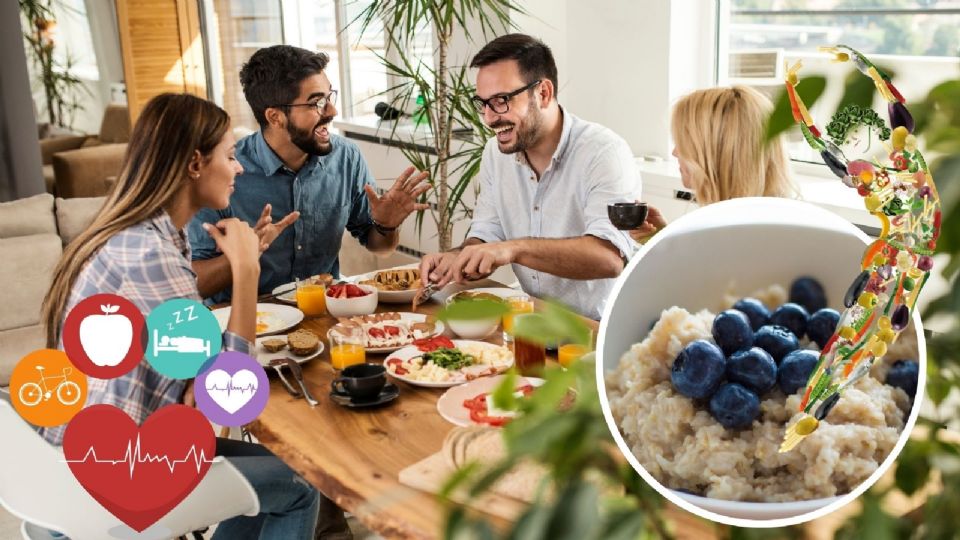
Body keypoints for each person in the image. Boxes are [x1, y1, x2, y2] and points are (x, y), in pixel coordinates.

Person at [39, 93, 328, 539]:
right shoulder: (151, 254)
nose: (239, 169)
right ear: (195, 164)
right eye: (230, 157)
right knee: (300, 485)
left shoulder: (144, 235)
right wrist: (247, 272)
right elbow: (228, 400)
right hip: (116, 482)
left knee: (272, 474)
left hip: (77, 466)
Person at [418, 34, 640, 320]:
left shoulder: (603, 152)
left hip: (599, 331)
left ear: (543, 93)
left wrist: (513, 249)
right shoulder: (494, 154)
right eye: (483, 103)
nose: (488, 118)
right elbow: (487, 232)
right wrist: (459, 256)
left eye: (501, 101)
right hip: (534, 322)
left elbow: (609, 259)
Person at [189, 45, 429, 304]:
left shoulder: (346, 157)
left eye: (330, 97)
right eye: (317, 103)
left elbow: (380, 246)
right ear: (275, 117)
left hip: (324, 312)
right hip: (248, 320)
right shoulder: (224, 172)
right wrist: (246, 254)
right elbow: (197, 283)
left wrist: (387, 225)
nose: (332, 111)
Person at [630, 85, 796, 243]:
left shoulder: (729, 237)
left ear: (717, 152)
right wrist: (663, 238)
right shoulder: (763, 224)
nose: (675, 152)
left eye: (684, 143)